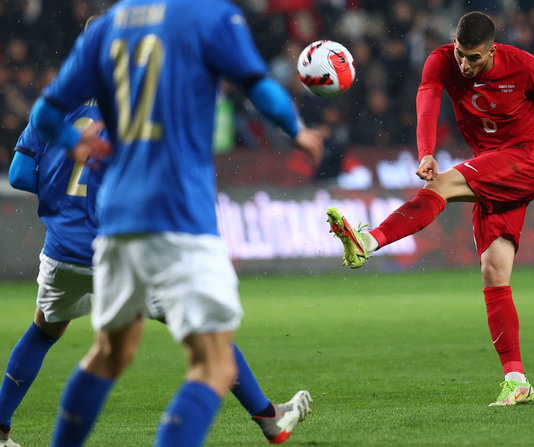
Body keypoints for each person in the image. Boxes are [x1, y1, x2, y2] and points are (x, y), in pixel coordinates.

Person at [27, 1, 322, 445]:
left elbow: (46, 115)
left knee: (109, 354)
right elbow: (259, 87)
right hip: (180, 214)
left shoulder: (107, 27)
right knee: (214, 363)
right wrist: (296, 129)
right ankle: (268, 421)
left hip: (118, 217)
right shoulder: (210, 16)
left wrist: (74, 140)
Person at [327, 11, 534, 407]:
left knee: (442, 185)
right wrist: (426, 151)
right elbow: (427, 100)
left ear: (492, 50)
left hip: (528, 160)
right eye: (460, 54)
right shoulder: (441, 61)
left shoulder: (526, 67)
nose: (465, 65)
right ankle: (516, 380)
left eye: (474, 58)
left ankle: (369, 241)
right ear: (453, 43)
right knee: (493, 272)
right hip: (493, 167)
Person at [0, 101, 311, 447]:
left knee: (43, 333)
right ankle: (268, 417)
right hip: (123, 253)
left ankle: (0, 430)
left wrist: (68, 197)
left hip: (63, 253)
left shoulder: (54, 106)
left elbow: (19, 175)